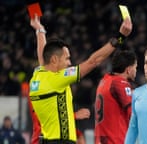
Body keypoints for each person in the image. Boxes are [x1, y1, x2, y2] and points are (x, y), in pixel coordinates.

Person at [29, 12, 132, 144]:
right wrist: (120, 37)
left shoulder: (37, 76)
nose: (69, 63)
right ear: (54, 60)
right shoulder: (58, 79)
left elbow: (43, 56)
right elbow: (93, 61)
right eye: (66, 58)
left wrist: (39, 30)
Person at [95, 50, 137, 144]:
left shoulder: (105, 81)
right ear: (128, 69)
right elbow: (133, 113)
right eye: (135, 67)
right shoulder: (120, 83)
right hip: (116, 140)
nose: (136, 70)